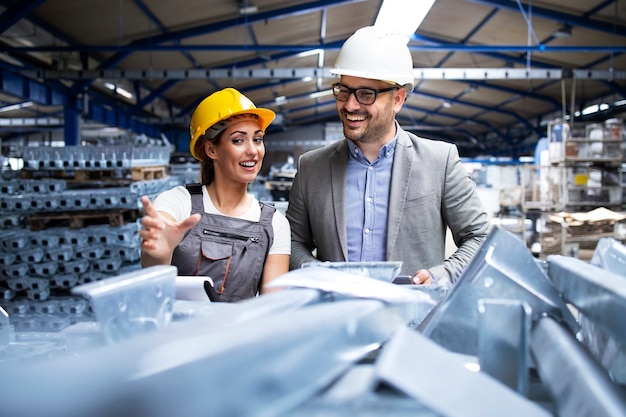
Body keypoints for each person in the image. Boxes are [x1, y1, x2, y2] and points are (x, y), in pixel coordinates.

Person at [286, 26, 490, 286]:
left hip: (412, 319)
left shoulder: (440, 162)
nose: (350, 105)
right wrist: (316, 272)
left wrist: (443, 275)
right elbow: (291, 242)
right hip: (336, 319)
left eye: (366, 94)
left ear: (398, 99)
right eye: (344, 91)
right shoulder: (311, 168)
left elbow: (479, 238)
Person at [140, 87, 291, 302]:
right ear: (211, 150)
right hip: (180, 334)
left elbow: (273, 307)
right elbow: (152, 275)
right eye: (238, 140)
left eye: (257, 139)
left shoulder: (275, 224)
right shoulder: (178, 203)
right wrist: (159, 254)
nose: (253, 151)